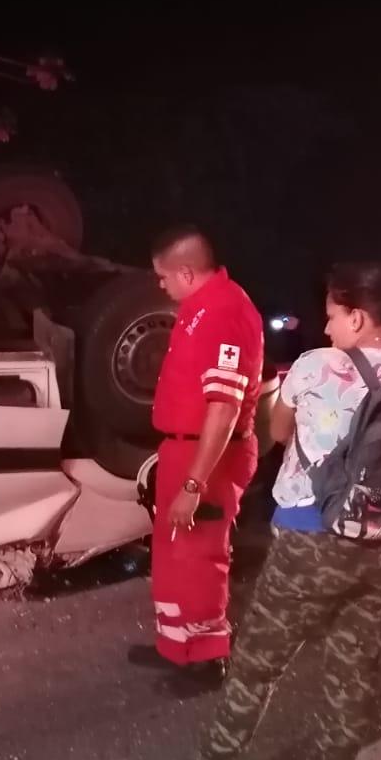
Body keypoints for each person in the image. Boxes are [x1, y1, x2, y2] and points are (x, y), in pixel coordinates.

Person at [139, 262, 381, 760]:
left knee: (258, 665)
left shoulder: (316, 365)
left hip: (310, 539)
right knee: (353, 671)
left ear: (357, 316)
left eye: (332, 316)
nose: (326, 328)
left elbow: (279, 433)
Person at [128, 227, 264, 691]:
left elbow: (223, 408)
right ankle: (176, 644)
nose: (160, 284)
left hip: (210, 454)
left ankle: (207, 658)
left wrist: (194, 483)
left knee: (201, 555)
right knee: (173, 552)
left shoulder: (225, 312)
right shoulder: (198, 306)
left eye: (163, 276)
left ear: (186, 272)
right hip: (183, 447)